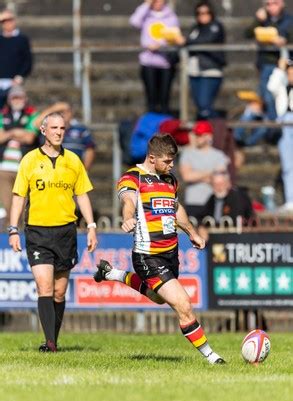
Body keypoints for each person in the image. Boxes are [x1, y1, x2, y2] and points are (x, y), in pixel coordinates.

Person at [94, 133, 225, 364]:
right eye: (167, 161)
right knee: (183, 305)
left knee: (158, 298)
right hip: (148, 256)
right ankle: (212, 357)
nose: (171, 165)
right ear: (152, 158)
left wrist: (192, 233)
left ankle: (111, 273)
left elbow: (175, 208)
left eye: (173, 160)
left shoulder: (170, 180)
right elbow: (128, 201)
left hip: (171, 254)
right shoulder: (133, 177)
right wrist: (127, 217)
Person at [8, 112, 97, 352]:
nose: (59, 132)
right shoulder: (29, 160)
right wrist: (13, 229)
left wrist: (91, 226)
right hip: (38, 232)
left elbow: (82, 194)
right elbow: (19, 196)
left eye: (62, 128)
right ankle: (50, 343)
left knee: (59, 292)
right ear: (43, 131)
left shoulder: (73, 161)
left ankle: (52, 340)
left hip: (66, 232)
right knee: (44, 287)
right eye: (54, 127)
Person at [130, 0, 184, 114]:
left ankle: (164, 127)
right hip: (148, 63)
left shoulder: (171, 16)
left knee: (164, 99)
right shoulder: (146, 15)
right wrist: (146, 4)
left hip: (165, 62)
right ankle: (151, 127)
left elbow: (174, 36)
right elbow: (134, 21)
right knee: (151, 99)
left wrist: (160, 45)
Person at [245, 0, 293, 121]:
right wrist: (258, 20)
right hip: (265, 63)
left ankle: (275, 126)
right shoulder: (263, 19)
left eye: (275, 3)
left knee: (274, 95)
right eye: (268, 4)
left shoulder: (289, 20)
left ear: (282, 3)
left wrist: (284, 40)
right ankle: (274, 126)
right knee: (267, 95)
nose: (271, 7)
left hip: (282, 63)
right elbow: (247, 34)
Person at [0, 85, 39, 227]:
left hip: (23, 168)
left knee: (22, 206)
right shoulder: (2, 115)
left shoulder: (32, 115)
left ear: (25, 99)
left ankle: (21, 238)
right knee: (7, 205)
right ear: (9, 100)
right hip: (4, 169)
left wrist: (8, 133)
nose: (17, 100)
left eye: (20, 97)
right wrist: (17, 133)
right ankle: (8, 240)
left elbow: (29, 138)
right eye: (14, 97)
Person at [179, 120, 230, 219]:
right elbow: (187, 176)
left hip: (213, 202)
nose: (197, 137)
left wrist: (196, 175)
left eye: (200, 135)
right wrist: (211, 173)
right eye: (196, 134)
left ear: (208, 136)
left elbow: (221, 180)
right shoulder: (188, 154)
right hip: (193, 202)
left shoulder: (219, 155)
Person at [184, 1, 226, 119]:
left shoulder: (216, 26)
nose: (203, 15)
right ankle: (206, 134)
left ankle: (220, 130)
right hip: (194, 71)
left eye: (206, 12)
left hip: (210, 70)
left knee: (205, 105)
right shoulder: (195, 29)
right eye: (199, 13)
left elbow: (205, 41)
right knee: (200, 107)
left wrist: (186, 42)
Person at [34, 101, 96, 171]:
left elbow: (90, 150)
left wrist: (85, 171)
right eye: (59, 112)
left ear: (71, 113)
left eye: (66, 111)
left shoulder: (81, 129)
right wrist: (54, 108)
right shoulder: (49, 129)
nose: (63, 114)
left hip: (74, 170)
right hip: (51, 171)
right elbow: (36, 123)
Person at [267, 58, 293, 211]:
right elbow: (271, 86)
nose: (291, 75)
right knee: (288, 164)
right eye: (288, 73)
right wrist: (279, 69)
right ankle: (291, 199)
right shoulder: (283, 87)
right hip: (284, 123)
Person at [0, 9, 32, 108]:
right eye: (4, 21)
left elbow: (27, 60)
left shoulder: (22, 39)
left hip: (14, 82)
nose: (7, 23)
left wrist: (20, 77)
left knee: (15, 108)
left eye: (9, 20)